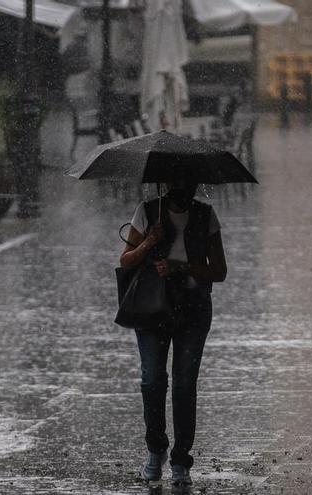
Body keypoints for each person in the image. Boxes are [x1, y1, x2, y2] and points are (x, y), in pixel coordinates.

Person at [119, 180, 227, 486]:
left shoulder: (206, 216)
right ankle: (156, 449)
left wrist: (182, 267)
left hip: (193, 311)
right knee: (152, 380)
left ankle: (181, 458)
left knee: (184, 385)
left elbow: (219, 270)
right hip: (151, 308)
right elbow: (125, 260)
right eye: (176, 185)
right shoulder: (148, 212)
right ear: (166, 184)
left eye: (188, 186)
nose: (182, 194)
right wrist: (149, 241)